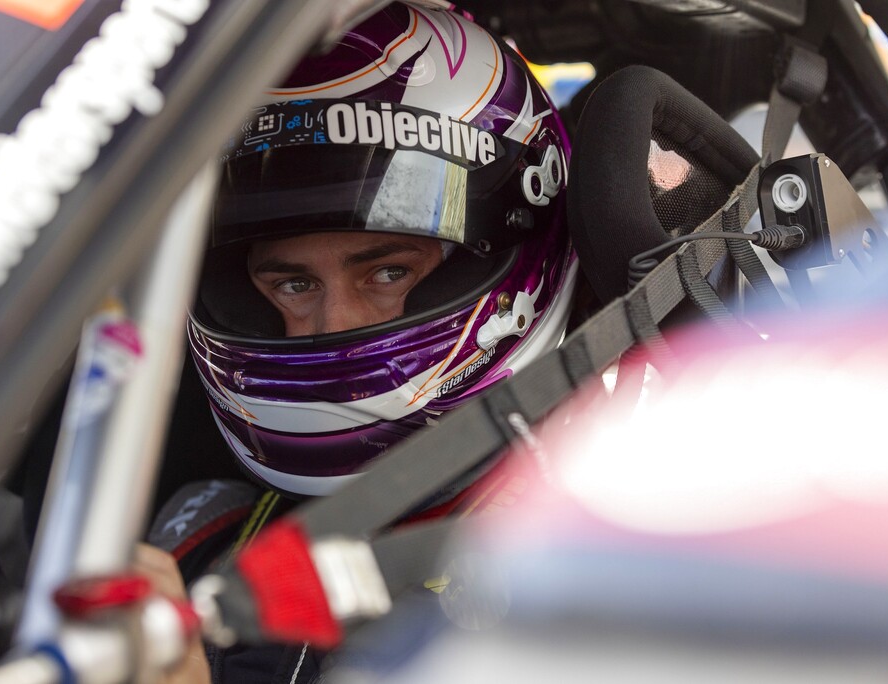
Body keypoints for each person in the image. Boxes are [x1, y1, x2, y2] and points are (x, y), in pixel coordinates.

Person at [145, 2, 579, 681]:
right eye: (290, 284)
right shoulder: (193, 536)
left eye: (387, 271)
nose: (335, 326)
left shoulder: (603, 560)